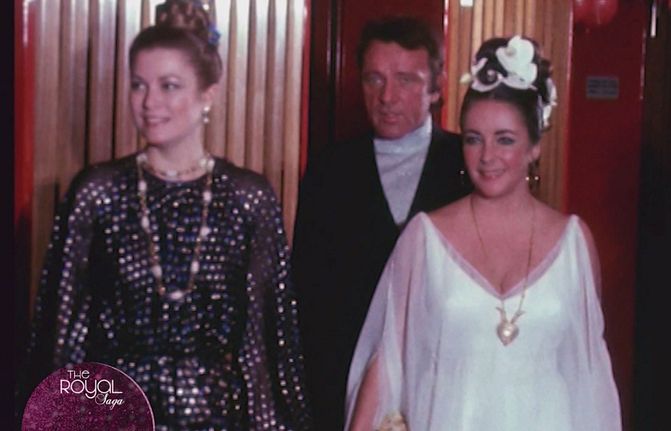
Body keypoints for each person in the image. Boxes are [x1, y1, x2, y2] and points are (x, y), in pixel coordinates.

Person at [18, 1, 311, 429]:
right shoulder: (97, 193)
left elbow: (264, 344)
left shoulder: (248, 199)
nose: (150, 102)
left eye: (169, 86)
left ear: (208, 94)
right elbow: (63, 336)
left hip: (218, 418)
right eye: (139, 85)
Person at [346, 35, 622, 430]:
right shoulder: (424, 239)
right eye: (474, 139)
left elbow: (589, 376)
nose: (488, 156)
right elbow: (389, 359)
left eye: (505, 140)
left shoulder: (574, 243)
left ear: (534, 146)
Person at [291, 16, 471, 430]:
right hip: (344, 386)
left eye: (405, 80)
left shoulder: (466, 165)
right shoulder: (329, 170)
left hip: (444, 381)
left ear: (437, 87)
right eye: (374, 79)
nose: (387, 96)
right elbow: (307, 295)